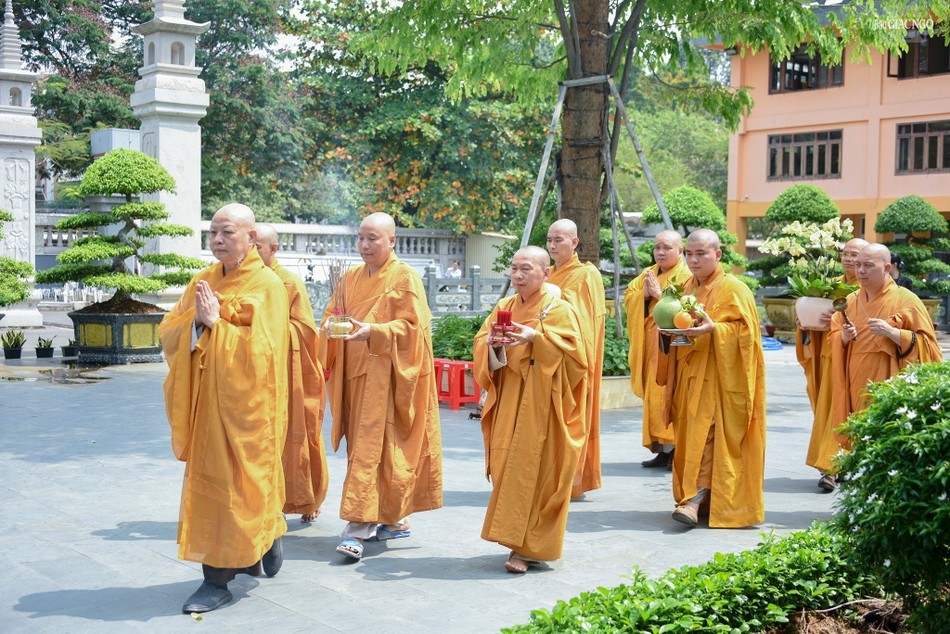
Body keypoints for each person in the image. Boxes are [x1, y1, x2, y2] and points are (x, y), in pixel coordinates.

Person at [159, 203, 289, 614]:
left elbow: (266, 354)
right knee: (215, 488)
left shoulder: (268, 285)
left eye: (227, 232)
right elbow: (170, 330)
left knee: (245, 484)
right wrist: (197, 323)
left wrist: (217, 325)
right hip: (208, 406)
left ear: (252, 238)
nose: (216, 240)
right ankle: (217, 577)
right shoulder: (203, 280)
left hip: (250, 410)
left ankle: (260, 538)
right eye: (212, 232)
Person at [320, 212, 443, 561]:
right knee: (368, 449)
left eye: (373, 238)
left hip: (389, 380)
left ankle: (358, 527)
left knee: (377, 451)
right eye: (361, 237)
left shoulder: (405, 278)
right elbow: (333, 315)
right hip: (357, 379)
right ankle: (394, 519)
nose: (364, 245)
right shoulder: (349, 278)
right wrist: (331, 327)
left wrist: (374, 330)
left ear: (392, 241)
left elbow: (413, 329)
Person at [473, 246, 588, 573]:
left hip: (544, 404)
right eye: (514, 269)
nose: (518, 275)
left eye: (526, 269)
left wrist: (536, 338)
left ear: (546, 273)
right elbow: (483, 344)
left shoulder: (559, 310)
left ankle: (526, 548)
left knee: (540, 473)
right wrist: (495, 345)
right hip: (510, 398)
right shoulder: (504, 305)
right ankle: (514, 538)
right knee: (508, 464)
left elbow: (577, 360)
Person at [656, 229, 766, 529]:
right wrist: (667, 333)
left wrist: (715, 329)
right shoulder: (682, 288)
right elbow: (673, 325)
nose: (693, 260)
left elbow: (748, 336)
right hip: (689, 377)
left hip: (720, 381)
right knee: (691, 438)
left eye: (701, 253)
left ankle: (693, 500)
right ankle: (699, 499)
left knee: (709, 438)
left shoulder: (735, 289)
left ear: (718, 255)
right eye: (689, 254)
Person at [254, 224, 329, 524]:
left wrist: (261, 326)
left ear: (274, 249)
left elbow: (304, 330)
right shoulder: (242, 280)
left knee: (296, 435)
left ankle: (305, 498)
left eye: (257, 246)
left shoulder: (289, 283)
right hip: (253, 373)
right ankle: (260, 501)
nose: (251, 252)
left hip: (288, 372)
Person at [829, 243, 941, 439]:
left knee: (887, 433)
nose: (861, 271)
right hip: (856, 381)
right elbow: (834, 338)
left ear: (887, 268)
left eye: (869, 265)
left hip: (891, 383)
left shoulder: (907, 300)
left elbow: (929, 348)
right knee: (860, 433)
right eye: (858, 265)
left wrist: (893, 333)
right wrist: (844, 338)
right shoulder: (850, 301)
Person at [795, 237, 867, 492]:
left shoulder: (867, 290)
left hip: (855, 361)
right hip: (828, 357)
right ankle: (832, 466)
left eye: (855, 254)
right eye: (846, 254)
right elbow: (814, 325)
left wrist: (836, 322)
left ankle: (832, 468)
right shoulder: (829, 286)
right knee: (828, 413)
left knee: (844, 413)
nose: (849, 259)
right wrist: (805, 320)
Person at [545, 219, 607, 499]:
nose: (553, 245)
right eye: (549, 240)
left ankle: (573, 479)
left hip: (573, 359)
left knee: (571, 418)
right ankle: (548, 476)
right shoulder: (548, 273)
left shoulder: (585, 274)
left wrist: (549, 292)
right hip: (547, 355)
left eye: (559, 239)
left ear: (575, 243)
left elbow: (580, 317)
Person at [623, 229, 689, 470]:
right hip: (650, 346)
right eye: (657, 247)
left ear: (680, 250)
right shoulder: (647, 273)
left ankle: (676, 451)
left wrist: (659, 295)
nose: (660, 252)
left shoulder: (687, 275)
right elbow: (630, 294)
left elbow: (687, 310)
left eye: (667, 248)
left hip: (672, 348)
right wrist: (644, 294)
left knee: (670, 396)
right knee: (654, 397)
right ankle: (662, 449)